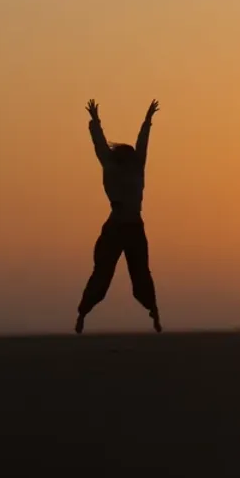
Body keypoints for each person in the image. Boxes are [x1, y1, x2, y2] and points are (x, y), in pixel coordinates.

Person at [76, 98, 160, 334]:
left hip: (134, 226)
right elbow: (100, 145)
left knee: (141, 274)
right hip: (115, 226)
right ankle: (83, 312)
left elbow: (143, 143)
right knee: (102, 273)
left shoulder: (137, 167)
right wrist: (94, 121)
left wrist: (147, 120)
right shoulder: (111, 168)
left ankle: (153, 310)